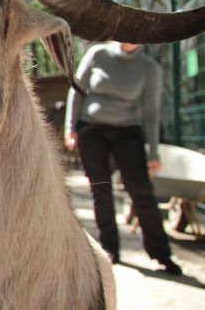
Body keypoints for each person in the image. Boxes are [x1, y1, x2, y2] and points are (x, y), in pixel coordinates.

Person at [64, 41, 182, 275]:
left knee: (141, 191)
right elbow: (76, 89)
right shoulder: (98, 53)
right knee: (101, 189)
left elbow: (151, 111)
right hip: (92, 130)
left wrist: (154, 152)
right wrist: (70, 128)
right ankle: (110, 250)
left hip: (128, 131)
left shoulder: (149, 67)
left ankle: (162, 254)